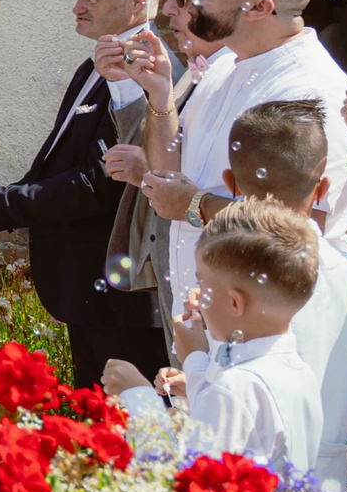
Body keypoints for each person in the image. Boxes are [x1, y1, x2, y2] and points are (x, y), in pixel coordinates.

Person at [0, 0, 167, 387]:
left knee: (133, 428)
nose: (77, 7)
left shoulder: (147, 72)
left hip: (123, 296)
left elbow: (101, 183)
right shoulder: (98, 63)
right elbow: (66, 161)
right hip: (89, 291)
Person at [138, 0, 347, 313]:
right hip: (205, 313)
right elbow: (168, 173)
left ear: (258, 8)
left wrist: (196, 205)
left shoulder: (306, 90)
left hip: (269, 318)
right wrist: (160, 98)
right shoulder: (224, 65)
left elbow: (301, 228)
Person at [203, 100, 347, 487]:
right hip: (329, 478)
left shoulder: (230, 274)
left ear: (231, 184)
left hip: (254, 478)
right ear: (323, 187)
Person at [104, 197, 324, 469]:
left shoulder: (231, 390)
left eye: (203, 283)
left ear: (235, 302)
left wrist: (139, 396)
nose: (195, 295)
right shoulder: (298, 371)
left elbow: (190, 484)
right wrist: (197, 373)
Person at [100, 0, 234, 339]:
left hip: (218, 280)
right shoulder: (195, 72)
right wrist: (148, 91)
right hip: (177, 273)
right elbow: (154, 154)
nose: (169, 11)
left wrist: (148, 173)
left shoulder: (237, 79)